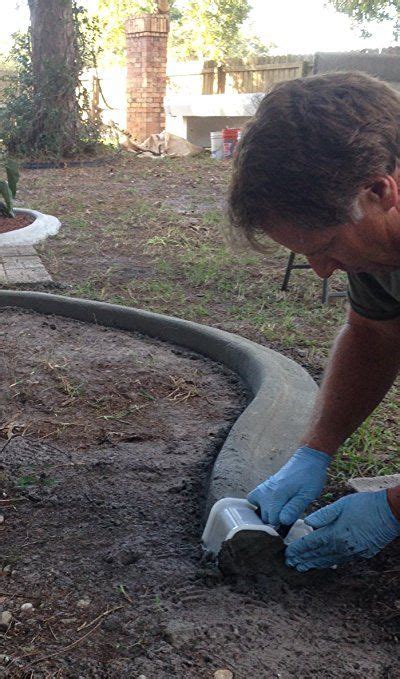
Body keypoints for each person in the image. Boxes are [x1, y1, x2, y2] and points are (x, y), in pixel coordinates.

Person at [228, 71, 400, 572]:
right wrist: (316, 450)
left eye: (325, 247)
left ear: (378, 189)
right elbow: (373, 333)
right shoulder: (380, 244)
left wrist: (392, 508)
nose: (322, 271)